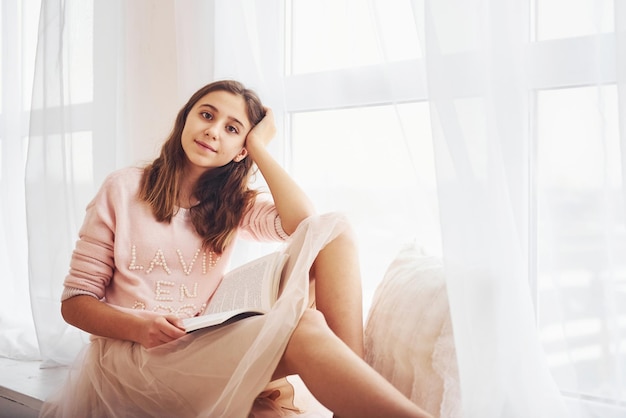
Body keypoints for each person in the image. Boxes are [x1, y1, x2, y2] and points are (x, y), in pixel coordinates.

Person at [39, 80, 433, 418]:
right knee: (307, 326)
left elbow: (305, 224)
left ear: (241, 148)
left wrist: (259, 147)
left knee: (335, 230)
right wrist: (141, 326)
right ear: (186, 119)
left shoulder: (234, 203)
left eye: (232, 129)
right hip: (135, 357)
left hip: (201, 340)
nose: (213, 132)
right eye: (207, 116)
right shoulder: (123, 189)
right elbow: (75, 302)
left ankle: (348, 411)